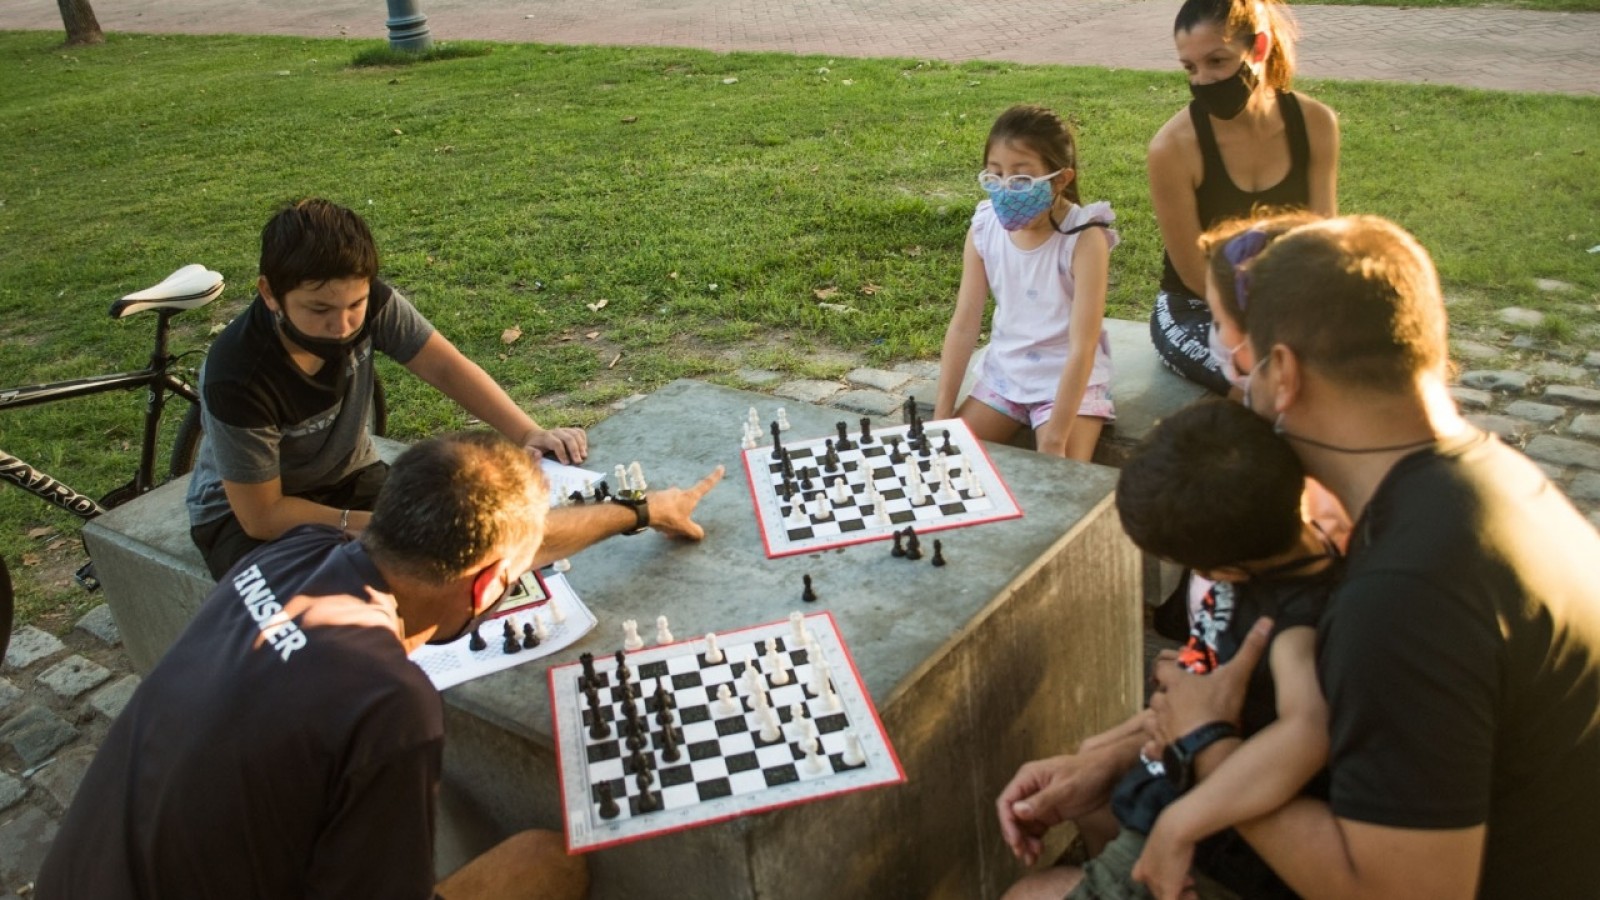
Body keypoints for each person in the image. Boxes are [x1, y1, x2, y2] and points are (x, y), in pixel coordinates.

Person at [39, 430, 720, 898]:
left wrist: (636, 512)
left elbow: (506, 546)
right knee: (544, 867)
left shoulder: (291, 554)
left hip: (77, 880)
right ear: (490, 589)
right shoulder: (387, 703)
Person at [1145, 215, 1600, 898]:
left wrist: (1204, 748)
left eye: (1241, 359)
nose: (1234, 377)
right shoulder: (1485, 481)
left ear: (1284, 373)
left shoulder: (1406, 597)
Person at [996, 399, 1339, 900]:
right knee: (1093, 775)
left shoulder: (1290, 628)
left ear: (1221, 571)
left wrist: (1186, 813)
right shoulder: (1265, 544)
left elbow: (1309, 731)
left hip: (1221, 825)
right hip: (1173, 770)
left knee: (1027, 896)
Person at [187, 198, 596, 578]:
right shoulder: (237, 375)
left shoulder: (375, 305)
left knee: (469, 549)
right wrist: (375, 527)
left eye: (355, 304)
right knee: (326, 608)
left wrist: (528, 433)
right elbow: (262, 515)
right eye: (319, 310)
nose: (343, 325)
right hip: (241, 519)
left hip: (348, 479)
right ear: (270, 293)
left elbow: (445, 366)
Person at [1147, 0, 1339, 395]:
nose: (1202, 80)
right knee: (1263, 384)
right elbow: (1193, 273)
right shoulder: (1173, 147)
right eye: (1190, 67)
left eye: (1217, 61)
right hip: (1198, 307)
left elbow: (1320, 242)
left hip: (1286, 301)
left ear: (1259, 48)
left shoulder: (1316, 123)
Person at [934, 104, 1118, 461]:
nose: (1005, 189)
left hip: (1067, 384)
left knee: (1061, 485)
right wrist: (942, 414)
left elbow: (1083, 345)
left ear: (1061, 179)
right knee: (951, 462)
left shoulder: (1084, 238)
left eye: (1020, 178)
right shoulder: (984, 228)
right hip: (1005, 376)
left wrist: (1055, 439)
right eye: (994, 176)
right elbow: (964, 322)